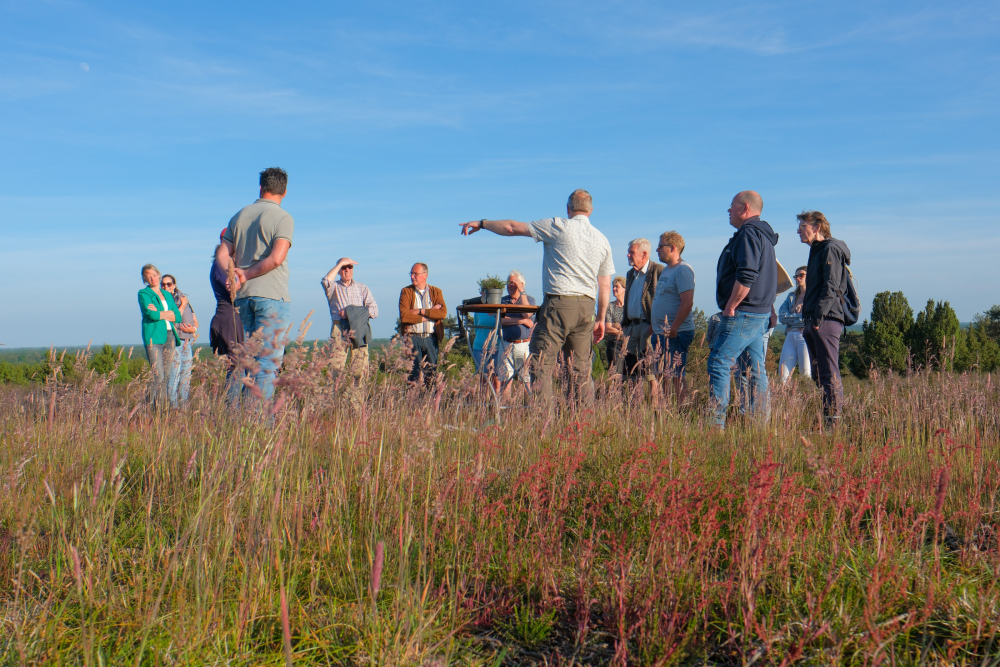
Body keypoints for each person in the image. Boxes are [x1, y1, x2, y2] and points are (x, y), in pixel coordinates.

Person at [459, 189, 615, 409]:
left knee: (542, 364)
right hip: (587, 308)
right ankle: (582, 424)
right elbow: (605, 285)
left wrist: (483, 223)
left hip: (560, 304)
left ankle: (544, 423)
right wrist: (600, 319)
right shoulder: (602, 240)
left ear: (568, 209)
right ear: (591, 210)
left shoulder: (559, 226)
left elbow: (512, 227)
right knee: (580, 370)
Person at [216, 167, 294, 400]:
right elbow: (276, 259)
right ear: (285, 192)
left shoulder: (239, 215)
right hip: (271, 296)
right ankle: (258, 421)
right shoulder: (283, 217)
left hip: (244, 298)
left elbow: (222, 255)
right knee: (268, 362)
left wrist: (234, 275)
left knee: (249, 359)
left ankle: (236, 415)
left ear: (260, 188)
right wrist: (247, 274)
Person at [706, 191, 779, 428]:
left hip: (744, 312)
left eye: (732, 206)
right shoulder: (763, 236)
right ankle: (758, 425)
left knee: (719, 362)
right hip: (759, 313)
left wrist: (730, 306)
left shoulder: (748, 234)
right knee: (755, 370)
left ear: (744, 208)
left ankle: (715, 425)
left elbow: (747, 275)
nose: (728, 210)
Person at [798, 211, 852, 425]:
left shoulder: (830, 249)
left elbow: (831, 286)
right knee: (819, 374)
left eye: (803, 226)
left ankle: (834, 422)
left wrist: (818, 318)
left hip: (826, 319)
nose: (798, 230)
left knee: (829, 372)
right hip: (815, 320)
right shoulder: (817, 251)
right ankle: (827, 417)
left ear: (817, 226)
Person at [650, 231, 695, 403]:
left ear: (673, 248)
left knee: (676, 375)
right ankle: (667, 409)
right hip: (661, 332)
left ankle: (682, 411)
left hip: (676, 332)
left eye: (660, 246)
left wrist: (674, 327)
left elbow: (687, 302)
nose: (657, 249)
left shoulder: (683, 270)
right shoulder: (668, 270)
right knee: (663, 374)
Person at [322, 257, 378, 381]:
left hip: (359, 327)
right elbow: (325, 281)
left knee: (360, 369)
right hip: (339, 327)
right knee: (335, 368)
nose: (347, 270)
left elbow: (374, 311)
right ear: (338, 270)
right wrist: (340, 263)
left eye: (350, 267)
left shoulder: (362, 288)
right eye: (343, 267)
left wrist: (350, 313)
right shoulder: (334, 287)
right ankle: (334, 398)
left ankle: (356, 399)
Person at [137, 264, 182, 408]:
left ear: (159, 275)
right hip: (154, 337)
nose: (152, 278)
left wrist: (161, 313)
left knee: (166, 377)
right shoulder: (144, 294)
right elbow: (152, 315)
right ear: (145, 279)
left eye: (154, 275)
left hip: (170, 337)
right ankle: (147, 408)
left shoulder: (168, 294)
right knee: (158, 377)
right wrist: (168, 313)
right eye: (148, 276)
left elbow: (178, 316)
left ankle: (161, 411)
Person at [209, 231, 245, 404]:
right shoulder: (221, 265)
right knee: (236, 366)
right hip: (229, 318)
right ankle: (232, 412)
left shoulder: (228, 264)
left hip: (232, 318)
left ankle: (237, 409)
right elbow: (233, 288)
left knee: (239, 365)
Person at [622, 238, 664, 381]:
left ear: (644, 254)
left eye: (631, 252)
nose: (628, 255)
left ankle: (654, 402)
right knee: (631, 371)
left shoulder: (658, 271)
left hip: (648, 327)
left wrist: (655, 325)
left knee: (650, 373)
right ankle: (635, 402)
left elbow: (665, 300)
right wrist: (625, 325)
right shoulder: (630, 274)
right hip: (632, 327)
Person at [398, 263, 447, 385]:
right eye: (411, 274)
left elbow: (442, 313)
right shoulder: (406, 292)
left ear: (425, 275)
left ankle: (429, 402)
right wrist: (430, 315)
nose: (412, 277)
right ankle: (414, 402)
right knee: (414, 376)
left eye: (415, 274)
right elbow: (405, 316)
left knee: (431, 376)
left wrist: (420, 311)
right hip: (413, 338)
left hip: (431, 338)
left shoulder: (436, 292)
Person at [160, 274, 198, 407]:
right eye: (163, 285)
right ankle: (172, 411)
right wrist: (183, 304)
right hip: (173, 343)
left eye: (169, 284)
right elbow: (173, 317)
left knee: (185, 381)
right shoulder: (163, 302)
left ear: (174, 285)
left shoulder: (183, 298)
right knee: (173, 379)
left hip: (186, 344)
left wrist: (192, 329)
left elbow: (195, 321)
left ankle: (183, 411)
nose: (166, 287)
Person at [498, 270, 536, 391]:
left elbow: (527, 313)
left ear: (521, 284)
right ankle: (505, 409)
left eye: (513, 282)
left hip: (524, 344)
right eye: (508, 282)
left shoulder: (529, 300)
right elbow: (500, 321)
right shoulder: (503, 301)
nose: (509, 285)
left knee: (524, 381)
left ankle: (525, 409)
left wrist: (522, 291)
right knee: (505, 381)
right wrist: (522, 321)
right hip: (506, 344)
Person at [778, 266, 811, 383]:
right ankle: (783, 400)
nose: (798, 278)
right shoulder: (791, 296)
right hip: (790, 335)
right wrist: (800, 316)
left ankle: (808, 400)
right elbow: (782, 317)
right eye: (796, 276)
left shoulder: (814, 297)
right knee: (783, 375)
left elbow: (811, 319)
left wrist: (792, 318)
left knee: (805, 373)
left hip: (805, 337)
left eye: (801, 275)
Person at [605, 277, 626, 374]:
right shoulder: (610, 306)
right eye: (613, 287)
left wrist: (617, 327)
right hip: (614, 345)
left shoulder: (629, 306)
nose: (614, 289)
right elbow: (608, 328)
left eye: (617, 287)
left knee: (631, 376)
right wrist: (623, 332)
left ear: (625, 288)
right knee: (616, 375)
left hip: (630, 344)